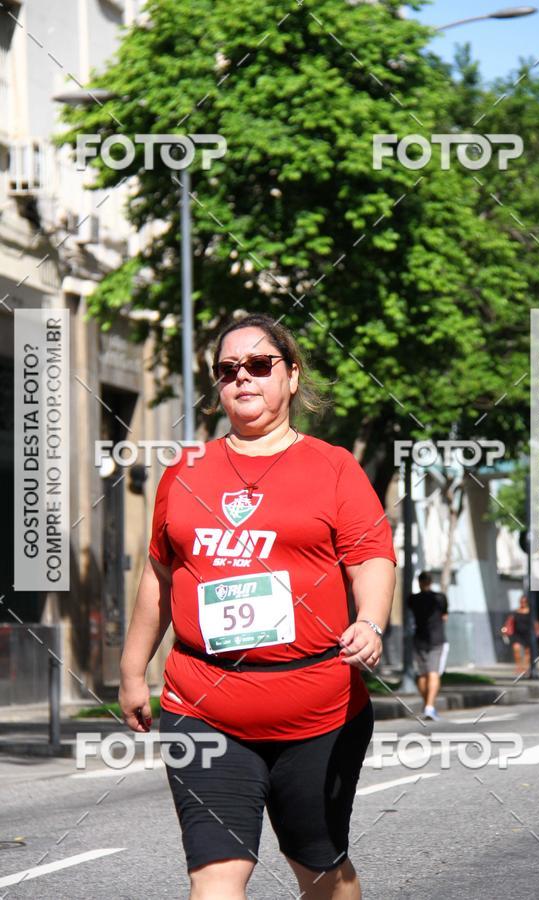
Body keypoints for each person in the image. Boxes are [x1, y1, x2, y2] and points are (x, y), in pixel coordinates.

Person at [118, 313, 397, 900]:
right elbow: (160, 574)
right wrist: (131, 672)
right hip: (204, 706)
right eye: (227, 370)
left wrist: (370, 621)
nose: (242, 378)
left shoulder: (334, 467)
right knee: (216, 872)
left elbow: (371, 555)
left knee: (319, 866)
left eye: (259, 365)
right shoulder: (185, 471)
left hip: (318, 712)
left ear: (291, 376)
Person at [407, 572, 449, 721]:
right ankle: (430, 707)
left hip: (419, 639)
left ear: (419, 582)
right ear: (431, 581)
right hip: (437, 640)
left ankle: (428, 705)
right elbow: (445, 617)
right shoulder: (440, 598)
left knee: (423, 675)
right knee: (434, 673)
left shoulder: (412, 599)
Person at [501, 594, 539, 675]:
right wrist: (505, 629)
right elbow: (509, 622)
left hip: (528, 634)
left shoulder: (530, 612)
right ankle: (519, 667)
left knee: (527, 652)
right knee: (516, 649)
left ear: (527, 602)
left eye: (524, 602)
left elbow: (535, 622)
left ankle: (526, 668)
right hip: (517, 634)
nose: (523, 603)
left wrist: (538, 630)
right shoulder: (515, 612)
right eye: (521, 601)